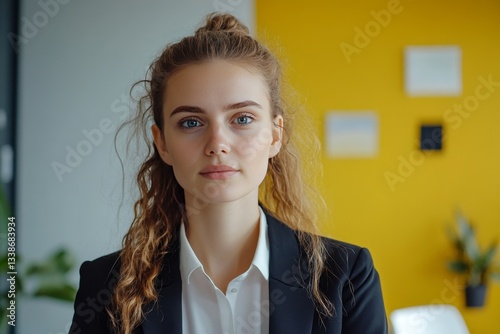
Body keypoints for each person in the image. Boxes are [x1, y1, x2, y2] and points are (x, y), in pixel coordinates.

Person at [69, 12, 387, 334]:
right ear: (162, 142)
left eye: (243, 119)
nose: (218, 144)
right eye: (191, 122)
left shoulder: (346, 277)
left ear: (275, 135)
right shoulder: (105, 286)